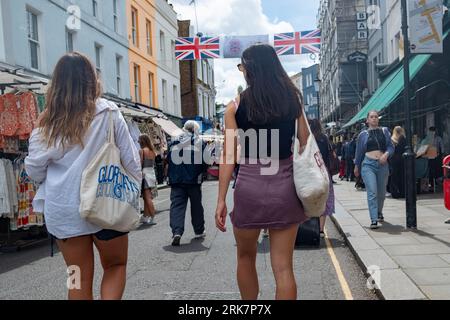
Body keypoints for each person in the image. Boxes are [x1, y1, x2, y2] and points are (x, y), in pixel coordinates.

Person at [25, 52, 141, 300]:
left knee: (76, 278)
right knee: (115, 266)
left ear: (56, 84)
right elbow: (132, 161)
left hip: (64, 211)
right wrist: (135, 191)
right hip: (107, 202)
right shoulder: (109, 112)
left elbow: (34, 171)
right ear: (92, 79)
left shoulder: (46, 125)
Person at [215, 44, 309, 300]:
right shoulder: (293, 98)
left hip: (249, 187)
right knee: (284, 267)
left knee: (245, 257)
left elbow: (229, 156)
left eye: (242, 66)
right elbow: (305, 140)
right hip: (285, 187)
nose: (242, 71)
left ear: (251, 70)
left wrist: (222, 199)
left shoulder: (235, 107)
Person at [167, 121, 207, 246]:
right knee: (196, 206)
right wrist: (202, 172)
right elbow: (206, 160)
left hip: (176, 179)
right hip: (193, 180)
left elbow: (168, 159)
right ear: (195, 130)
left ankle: (177, 231)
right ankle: (199, 231)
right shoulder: (200, 142)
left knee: (177, 206)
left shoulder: (174, 141)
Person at [354, 111, 394, 229]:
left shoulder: (384, 131)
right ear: (367, 120)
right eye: (371, 117)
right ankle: (373, 219)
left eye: (376, 117)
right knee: (372, 192)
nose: (374, 119)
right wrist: (357, 166)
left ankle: (379, 212)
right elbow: (359, 152)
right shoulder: (362, 135)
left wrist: (386, 155)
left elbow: (391, 146)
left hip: (383, 164)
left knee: (381, 194)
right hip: (368, 165)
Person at [309, 119, 335, 238]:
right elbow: (331, 154)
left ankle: (309, 226)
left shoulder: (306, 138)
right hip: (324, 173)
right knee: (325, 200)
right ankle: (320, 230)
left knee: (310, 199)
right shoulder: (324, 138)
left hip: (309, 173)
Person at [138, 134, 158, 225]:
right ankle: (145, 216)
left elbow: (140, 164)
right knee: (147, 198)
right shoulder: (152, 151)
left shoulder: (142, 151)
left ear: (142, 141)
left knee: (147, 197)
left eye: (139, 140)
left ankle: (153, 217)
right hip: (152, 173)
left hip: (145, 174)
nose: (138, 142)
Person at [388, 126, 406, 199]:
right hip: (402, 159)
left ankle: (394, 193)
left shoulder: (392, 139)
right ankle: (402, 192)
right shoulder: (403, 139)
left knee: (394, 177)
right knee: (402, 176)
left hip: (393, 159)